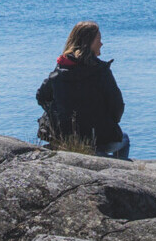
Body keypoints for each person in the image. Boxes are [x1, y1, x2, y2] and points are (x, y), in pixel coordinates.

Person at [35, 20, 129, 159]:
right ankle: (116, 170)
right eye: (99, 39)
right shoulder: (101, 71)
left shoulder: (61, 68)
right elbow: (117, 106)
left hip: (64, 137)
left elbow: (41, 96)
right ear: (88, 41)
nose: (102, 43)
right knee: (125, 140)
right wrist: (108, 123)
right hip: (99, 138)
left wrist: (56, 115)